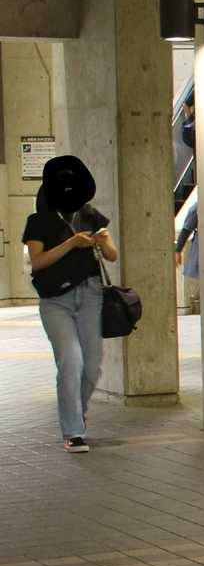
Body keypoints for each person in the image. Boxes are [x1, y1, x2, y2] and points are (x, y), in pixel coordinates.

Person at [22, 155, 118, 453]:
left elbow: (112, 255)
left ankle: (77, 413)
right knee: (71, 361)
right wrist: (71, 243)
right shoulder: (39, 221)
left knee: (91, 367)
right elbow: (38, 262)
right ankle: (73, 431)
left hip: (90, 295)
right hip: (55, 301)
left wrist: (103, 241)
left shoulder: (90, 215)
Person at [174, 194, 199, 313]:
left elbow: (186, 229)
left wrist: (178, 251)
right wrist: (178, 250)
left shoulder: (197, 206)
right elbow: (185, 230)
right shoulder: (197, 207)